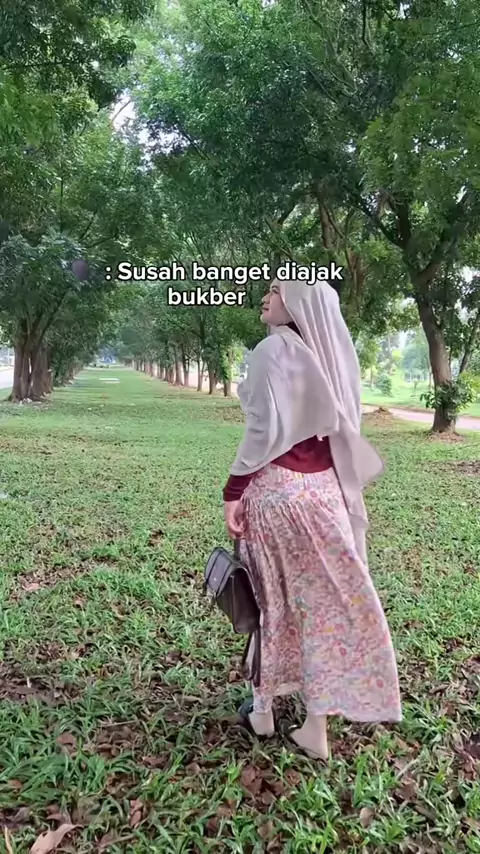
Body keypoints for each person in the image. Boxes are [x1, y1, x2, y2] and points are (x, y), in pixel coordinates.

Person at [222, 278, 401, 760]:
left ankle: (263, 713)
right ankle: (314, 728)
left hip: (279, 494)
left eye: (275, 291)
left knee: (269, 601)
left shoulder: (273, 350)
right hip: (325, 494)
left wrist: (233, 491)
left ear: (298, 304)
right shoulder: (333, 356)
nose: (265, 297)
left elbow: (261, 432)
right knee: (321, 607)